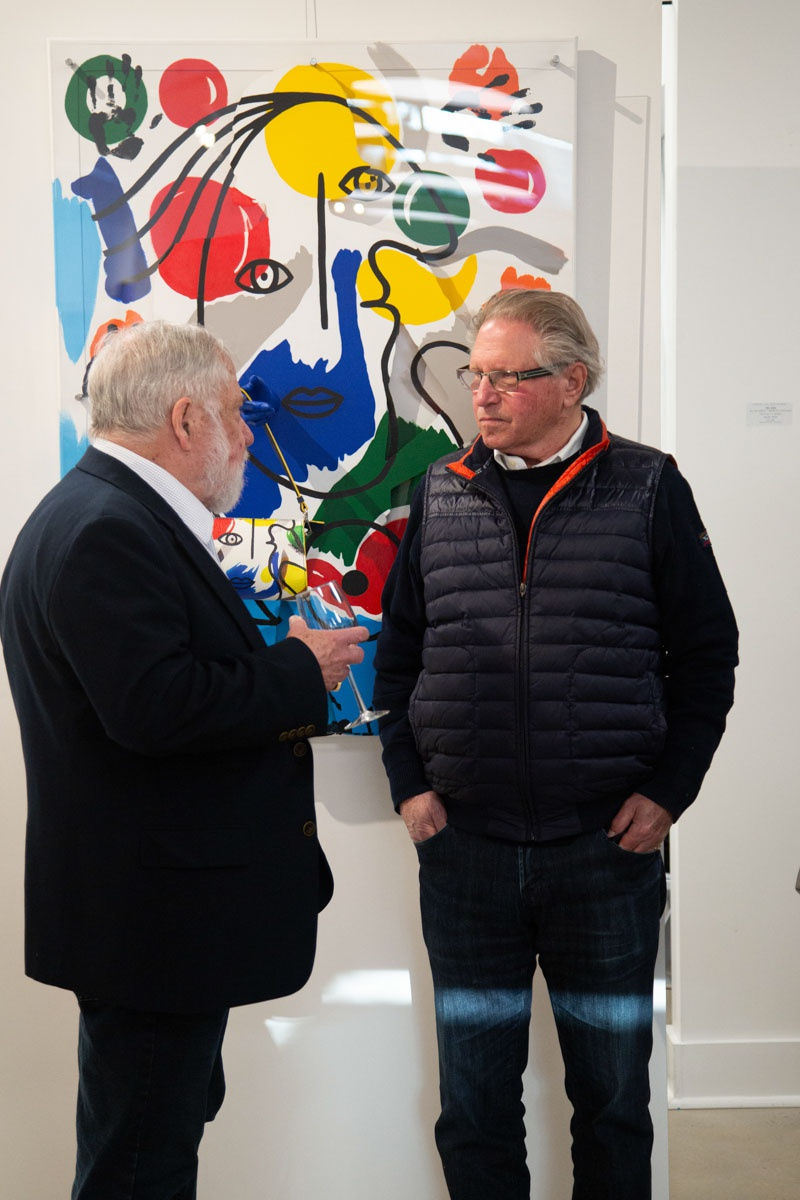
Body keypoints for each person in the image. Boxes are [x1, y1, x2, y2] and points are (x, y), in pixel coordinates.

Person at [374, 288, 738, 1200]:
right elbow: (402, 651)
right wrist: (407, 782)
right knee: (474, 1100)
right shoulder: (440, 490)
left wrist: (671, 790)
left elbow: (707, 652)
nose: (482, 396)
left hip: (606, 851)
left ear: (572, 380)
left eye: (506, 377)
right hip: (465, 852)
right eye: (474, 375)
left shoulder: (648, 485)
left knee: (613, 1099)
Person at [0, 319, 367, 1200]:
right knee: (140, 1164)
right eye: (237, 413)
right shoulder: (106, 530)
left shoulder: (100, 513)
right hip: (154, 923)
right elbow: (156, 710)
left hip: (151, 917)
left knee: (149, 1141)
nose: (249, 435)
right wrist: (297, 670)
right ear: (186, 420)